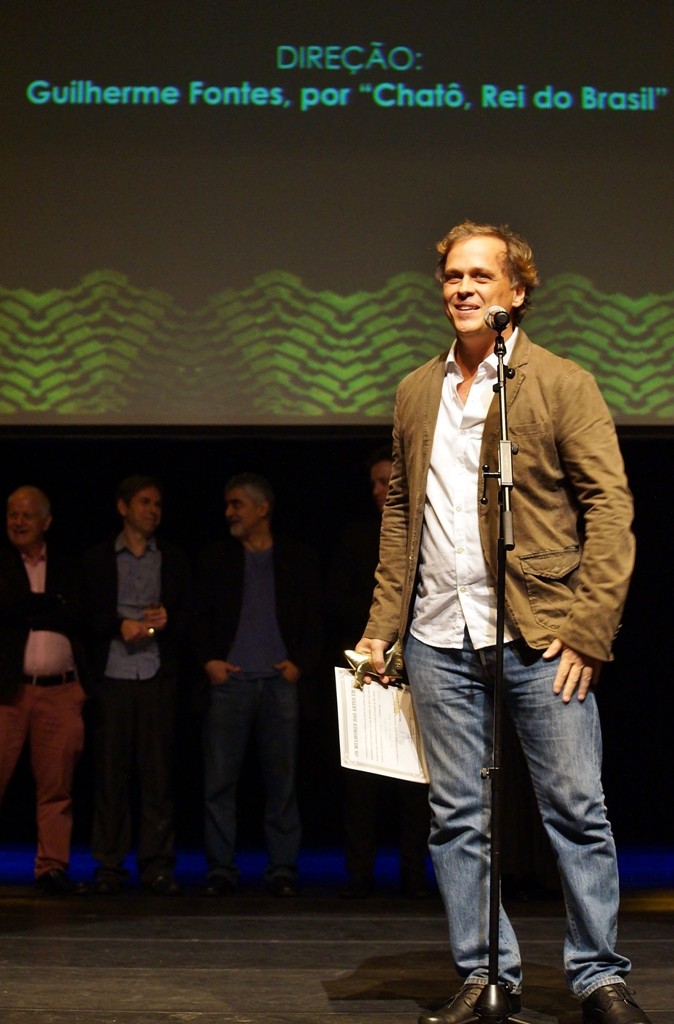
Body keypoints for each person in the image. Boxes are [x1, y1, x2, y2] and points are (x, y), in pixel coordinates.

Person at [355, 221, 651, 1024]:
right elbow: (399, 513)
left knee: (576, 810)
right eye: (453, 274)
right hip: (439, 638)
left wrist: (591, 627)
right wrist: (384, 626)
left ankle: (598, 976)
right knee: (457, 818)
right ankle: (488, 975)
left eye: (482, 275)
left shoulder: (560, 383)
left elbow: (610, 507)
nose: (463, 287)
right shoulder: (418, 390)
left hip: (541, 634)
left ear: (517, 290)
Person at [194, 472, 322, 897]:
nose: (229, 512)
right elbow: (197, 615)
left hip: (278, 684)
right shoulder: (215, 558)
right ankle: (220, 869)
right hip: (230, 684)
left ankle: (283, 868)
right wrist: (208, 661)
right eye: (228, 505)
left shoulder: (297, 557)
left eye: (237, 504)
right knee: (219, 783)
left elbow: (314, 618)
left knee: (281, 783)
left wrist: (299, 665)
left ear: (262, 508)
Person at [326, 448, 431, 898]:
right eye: (373, 483)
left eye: (386, 481)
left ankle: (413, 875)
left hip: (419, 667)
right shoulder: (355, 536)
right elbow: (337, 599)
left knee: (414, 782)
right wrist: (377, 636)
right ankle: (360, 875)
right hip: (366, 670)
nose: (378, 490)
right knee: (362, 780)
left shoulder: (428, 534)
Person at [82, 475, 191, 895]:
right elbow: (86, 615)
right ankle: (109, 864)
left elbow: (189, 615)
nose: (153, 510)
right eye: (145, 502)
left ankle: (158, 864)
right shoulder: (98, 559)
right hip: (113, 675)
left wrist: (168, 621)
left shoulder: (173, 559)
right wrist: (118, 624)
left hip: (155, 674)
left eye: (158, 504)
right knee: (111, 775)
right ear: (123, 507)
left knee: (157, 775)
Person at [0, 485, 87, 895]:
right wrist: (44, 605)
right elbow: (9, 607)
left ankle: (52, 867)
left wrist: (30, 606)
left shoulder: (69, 564)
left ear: (46, 522)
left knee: (57, 787)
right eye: (12, 514)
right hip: (9, 692)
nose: (17, 522)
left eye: (26, 515)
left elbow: (77, 613)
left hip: (60, 693)